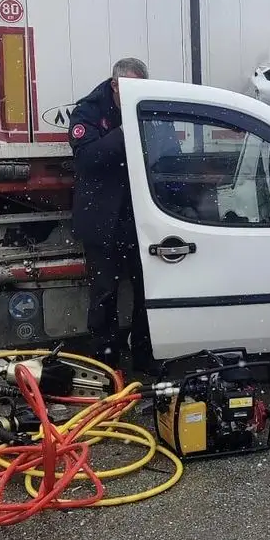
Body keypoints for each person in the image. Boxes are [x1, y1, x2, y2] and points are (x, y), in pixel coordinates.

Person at [68, 57, 153, 372]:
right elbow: (88, 158)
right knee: (104, 295)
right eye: (131, 89)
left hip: (139, 219)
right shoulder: (88, 111)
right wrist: (125, 131)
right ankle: (106, 361)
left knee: (147, 293)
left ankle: (145, 356)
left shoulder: (145, 105)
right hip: (101, 219)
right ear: (115, 86)